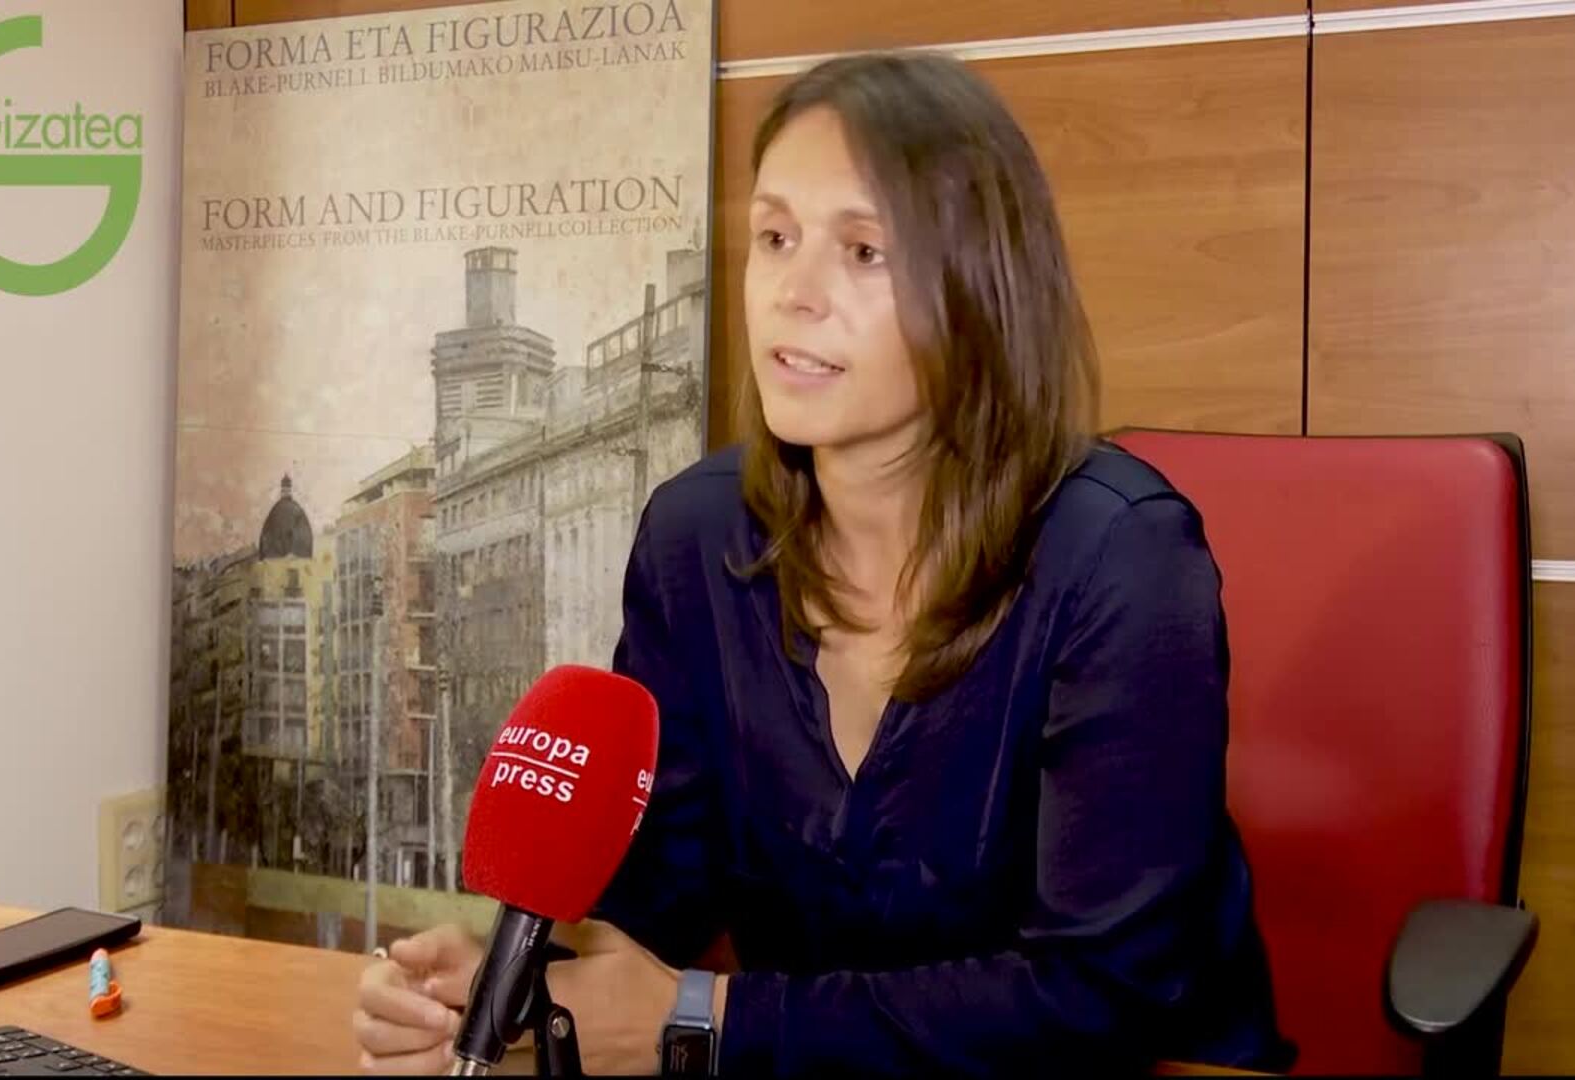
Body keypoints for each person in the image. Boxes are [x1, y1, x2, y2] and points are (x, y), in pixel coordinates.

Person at [353, 50, 1287, 1078]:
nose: (793, 294)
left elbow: (1098, 1000)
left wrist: (708, 1020)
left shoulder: (1125, 557)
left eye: (864, 251)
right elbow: (660, 892)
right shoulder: (696, 536)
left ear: (980, 288)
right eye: (775, 237)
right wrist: (513, 988)